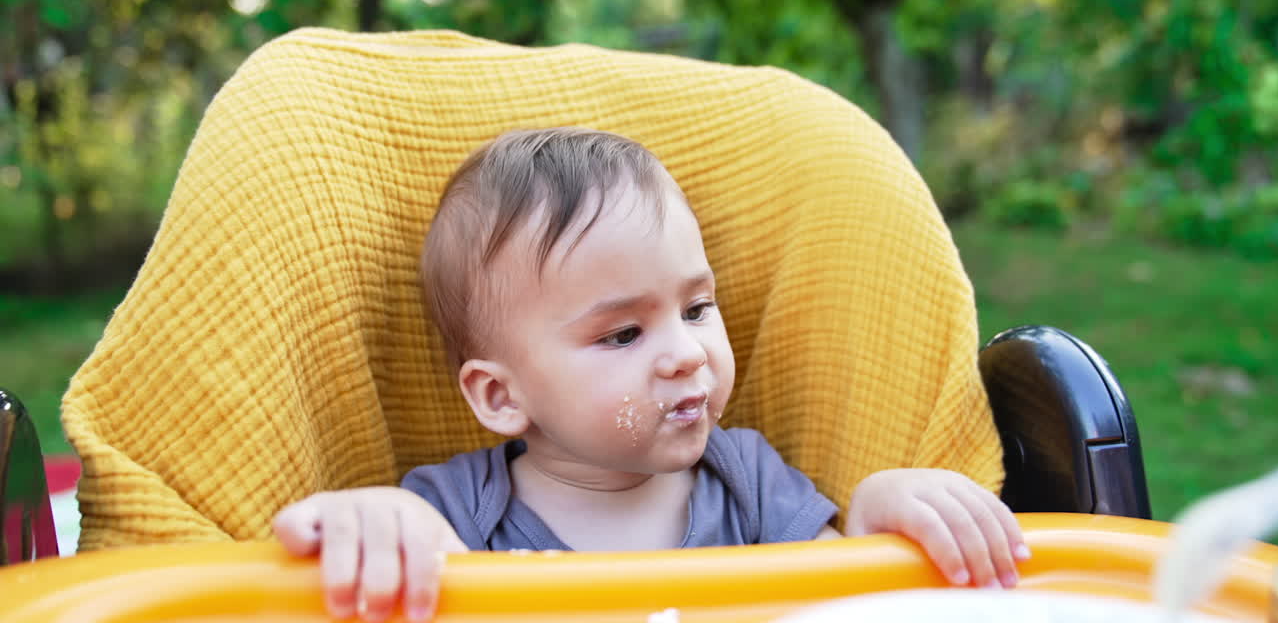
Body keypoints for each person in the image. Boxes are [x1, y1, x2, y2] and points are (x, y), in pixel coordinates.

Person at [273, 128, 1030, 623]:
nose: (686, 354)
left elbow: (845, 591)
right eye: (624, 333)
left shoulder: (750, 485)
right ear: (502, 396)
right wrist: (377, 524)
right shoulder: (458, 517)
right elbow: (399, 568)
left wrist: (877, 514)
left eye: (698, 308)